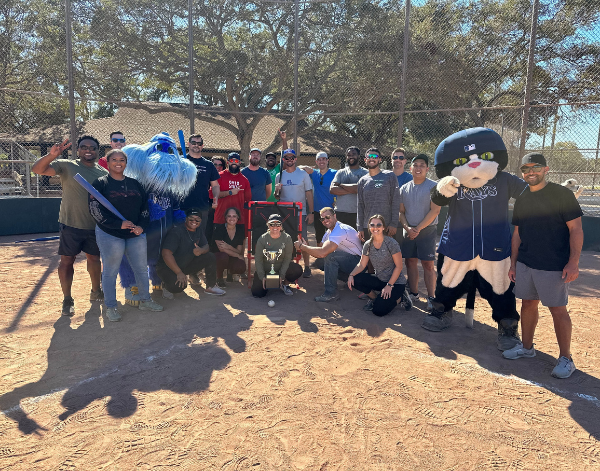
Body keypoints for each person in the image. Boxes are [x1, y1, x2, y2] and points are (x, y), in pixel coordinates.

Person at [503, 153, 584, 379]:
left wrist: (573, 262)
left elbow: (576, 229)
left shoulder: (561, 194)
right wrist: (514, 263)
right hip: (527, 263)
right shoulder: (522, 198)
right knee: (528, 304)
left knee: (557, 309)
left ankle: (566, 358)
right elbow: (517, 234)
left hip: (554, 264)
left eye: (535, 167)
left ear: (546, 169)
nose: (531, 172)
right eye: (525, 168)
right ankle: (527, 348)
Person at [31, 136, 107, 316]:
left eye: (93, 148)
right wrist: (51, 156)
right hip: (70, 225)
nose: (88, 150)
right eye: (84, 147)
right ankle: (67, 299)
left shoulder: (103, 173)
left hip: (94, 226)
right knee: (67, 262)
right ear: (78, 150)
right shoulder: (67, 165)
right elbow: (37, 169)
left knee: (94, 260)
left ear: (98, 151)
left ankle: (96, 291)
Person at [88, 149, 164, 322]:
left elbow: (145, 208)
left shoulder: (135, 184)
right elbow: (95, 210)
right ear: (107, 163)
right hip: (110, 233)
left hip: (135, 233)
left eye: (121, 159)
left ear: (126, 163)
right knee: (110, 271)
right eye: (114, 159)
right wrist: (118, 224)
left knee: (140, 269)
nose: (118, 162)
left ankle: (145, 300)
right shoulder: (100, 183)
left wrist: (141, 227)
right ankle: (111, 307)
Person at [294, 207, 363, 302]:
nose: (325, 220)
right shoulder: (329, 232)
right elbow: (319, 253)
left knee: (331, 258)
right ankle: (351, 281)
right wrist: (306, 247)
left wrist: (302, 247)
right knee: (320, 262)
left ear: (334, 216)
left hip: (360, 263)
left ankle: (331, 293)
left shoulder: (340, 229)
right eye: (322, 219)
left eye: (327, 217)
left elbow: (322, 253)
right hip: (350, 262)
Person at [398, 154, 440, 309]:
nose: (418, 168)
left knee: (428, 264)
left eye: (422, 165)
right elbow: (401, 212)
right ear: (410, 168)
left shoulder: (434, 187)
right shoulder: (404, 188)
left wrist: (418, 228)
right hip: (408, 230)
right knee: (410, 262)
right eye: (415, 165)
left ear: (427, 169)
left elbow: (435, 211)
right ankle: (414, 294)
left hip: (426, 231)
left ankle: (431, 298)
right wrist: (408, 228)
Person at [347, 215, 411, 316]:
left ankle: (401, 298)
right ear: (369, 227)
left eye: (378, 225)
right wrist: (351, 275)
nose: (375, 227)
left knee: (378, 311)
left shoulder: (391, 243)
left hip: (395, 283)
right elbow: (362, 264)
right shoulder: (368, 244)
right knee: (355, 279)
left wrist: (389, 285)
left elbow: (399, 267)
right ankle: (374, 298)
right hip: (380, 279)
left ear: (383, 227)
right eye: (372, 225)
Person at [156, 208, 226, 298]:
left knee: (210, 256)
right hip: (167, 267)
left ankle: (211, 286)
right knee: (178, 287)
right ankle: (166, 285)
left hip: (184, 264)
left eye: (197, 220)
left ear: (200, 221)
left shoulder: (198, 230)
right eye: (191, 219)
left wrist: (201, 250)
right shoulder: (177, 232)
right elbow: (166, 254)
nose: (194, 221)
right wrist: (179, 272)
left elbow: (206, 246)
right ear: (186, 219)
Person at [275, 149, 314, 278]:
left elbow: (309, 193)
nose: (289, 160)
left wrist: (311, 212)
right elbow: (276, 197)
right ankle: (288, 265)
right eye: (286, 158)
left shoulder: (303, 174)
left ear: (295, 159)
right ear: (283, 160)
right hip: (284, 214)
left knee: (303, 239)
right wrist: (277, 190)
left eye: (292, 157)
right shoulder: (279, 175)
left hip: (300, 213)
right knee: (286, 240)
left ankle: (307, 266)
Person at [251, 214, 303, 298]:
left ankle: (285, 284)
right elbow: (258, 259)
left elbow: (287, 258)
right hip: (266, 269)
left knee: (297, 269)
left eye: (278, 224)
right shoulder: (262, 239)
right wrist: (261, 276)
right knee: (257, 293)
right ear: (268, 225)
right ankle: (267, 282)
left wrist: (282, 275)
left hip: (281, 268)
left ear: (281, 226)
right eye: (272, 224)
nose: (275, 227)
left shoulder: (287, 238)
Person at [356, 148, 401, 242]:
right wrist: (360, 227)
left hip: (386, 227)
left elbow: (396, 201)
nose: (372, 158)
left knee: (388, 255)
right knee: (370, 255)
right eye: (369, 156)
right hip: (368, 227)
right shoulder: (362, 181)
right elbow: (360, 205)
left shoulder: (390, 176)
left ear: (380, 160)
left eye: (375, 156)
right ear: (365, 160)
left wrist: (393, 224)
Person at [181, 134, 220, 238]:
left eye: (199, 143)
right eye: (193, 143)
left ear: (202, 146)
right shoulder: (180, 161)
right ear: (189, 144)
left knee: (199, 235)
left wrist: (215, 197)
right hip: (182, 206)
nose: (196, 145)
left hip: (202, 206)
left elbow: (215, 185)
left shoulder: (208, 165)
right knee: (181, 235)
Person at [299, 151, 337, 247]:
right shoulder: (314, 173)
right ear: (316, 162)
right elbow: (298, 168)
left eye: (323, 159)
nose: (321, 162)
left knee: (333, 236)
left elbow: (339, 187)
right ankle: (321, 258)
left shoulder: (334, 173)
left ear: (327, 160)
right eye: (319, 160)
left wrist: (337, 201)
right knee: (319, 237)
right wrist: (307, 168)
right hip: (318, 211)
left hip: (331, 211)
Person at [330, 146, 368, 229]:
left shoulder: (365, 173)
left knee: (357, 240)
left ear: (358, 156)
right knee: (340, 240)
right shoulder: (341, 172)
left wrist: (341, 185)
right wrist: (354, 189)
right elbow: (332, 189)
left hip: (358, 213)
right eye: (348, 155)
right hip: (340, 212)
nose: (351, 156)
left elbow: (363, 189)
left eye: (353, 154)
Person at [212, 152, 252, 228]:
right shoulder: (219, 176)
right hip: (221, 218)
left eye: (236, 161)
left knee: (238, 240)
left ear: (240, 163)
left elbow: (248, 198)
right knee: (219, 240)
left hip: (238, 220)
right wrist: (230, 192)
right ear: (227, 162)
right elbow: (212, 194)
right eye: (231, 161)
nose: (234, 163)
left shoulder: (244, 180)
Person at [211, 207, 247, 288]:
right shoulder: (219, 229)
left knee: (241, 266)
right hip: (218, 257)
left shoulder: (240, 229)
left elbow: (239, 250)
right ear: (226, 217)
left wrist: (228, 246)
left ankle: (230, 273)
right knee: (223, 256)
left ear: (238, 218)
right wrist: (237, 255)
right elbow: (222, 249)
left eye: (234, 216)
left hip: (231, 256)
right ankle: (219, 278)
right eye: (229, 216)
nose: (232, 218)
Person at [266, 129, 288, 202]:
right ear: (265, 160)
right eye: (269, 158)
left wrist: (284, 140)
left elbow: (285, 156)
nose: (271, 159)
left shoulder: (278, 168)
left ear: (276, 161)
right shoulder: (262, 171)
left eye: (273, 158)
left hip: (277, 203)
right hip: (264, 203)